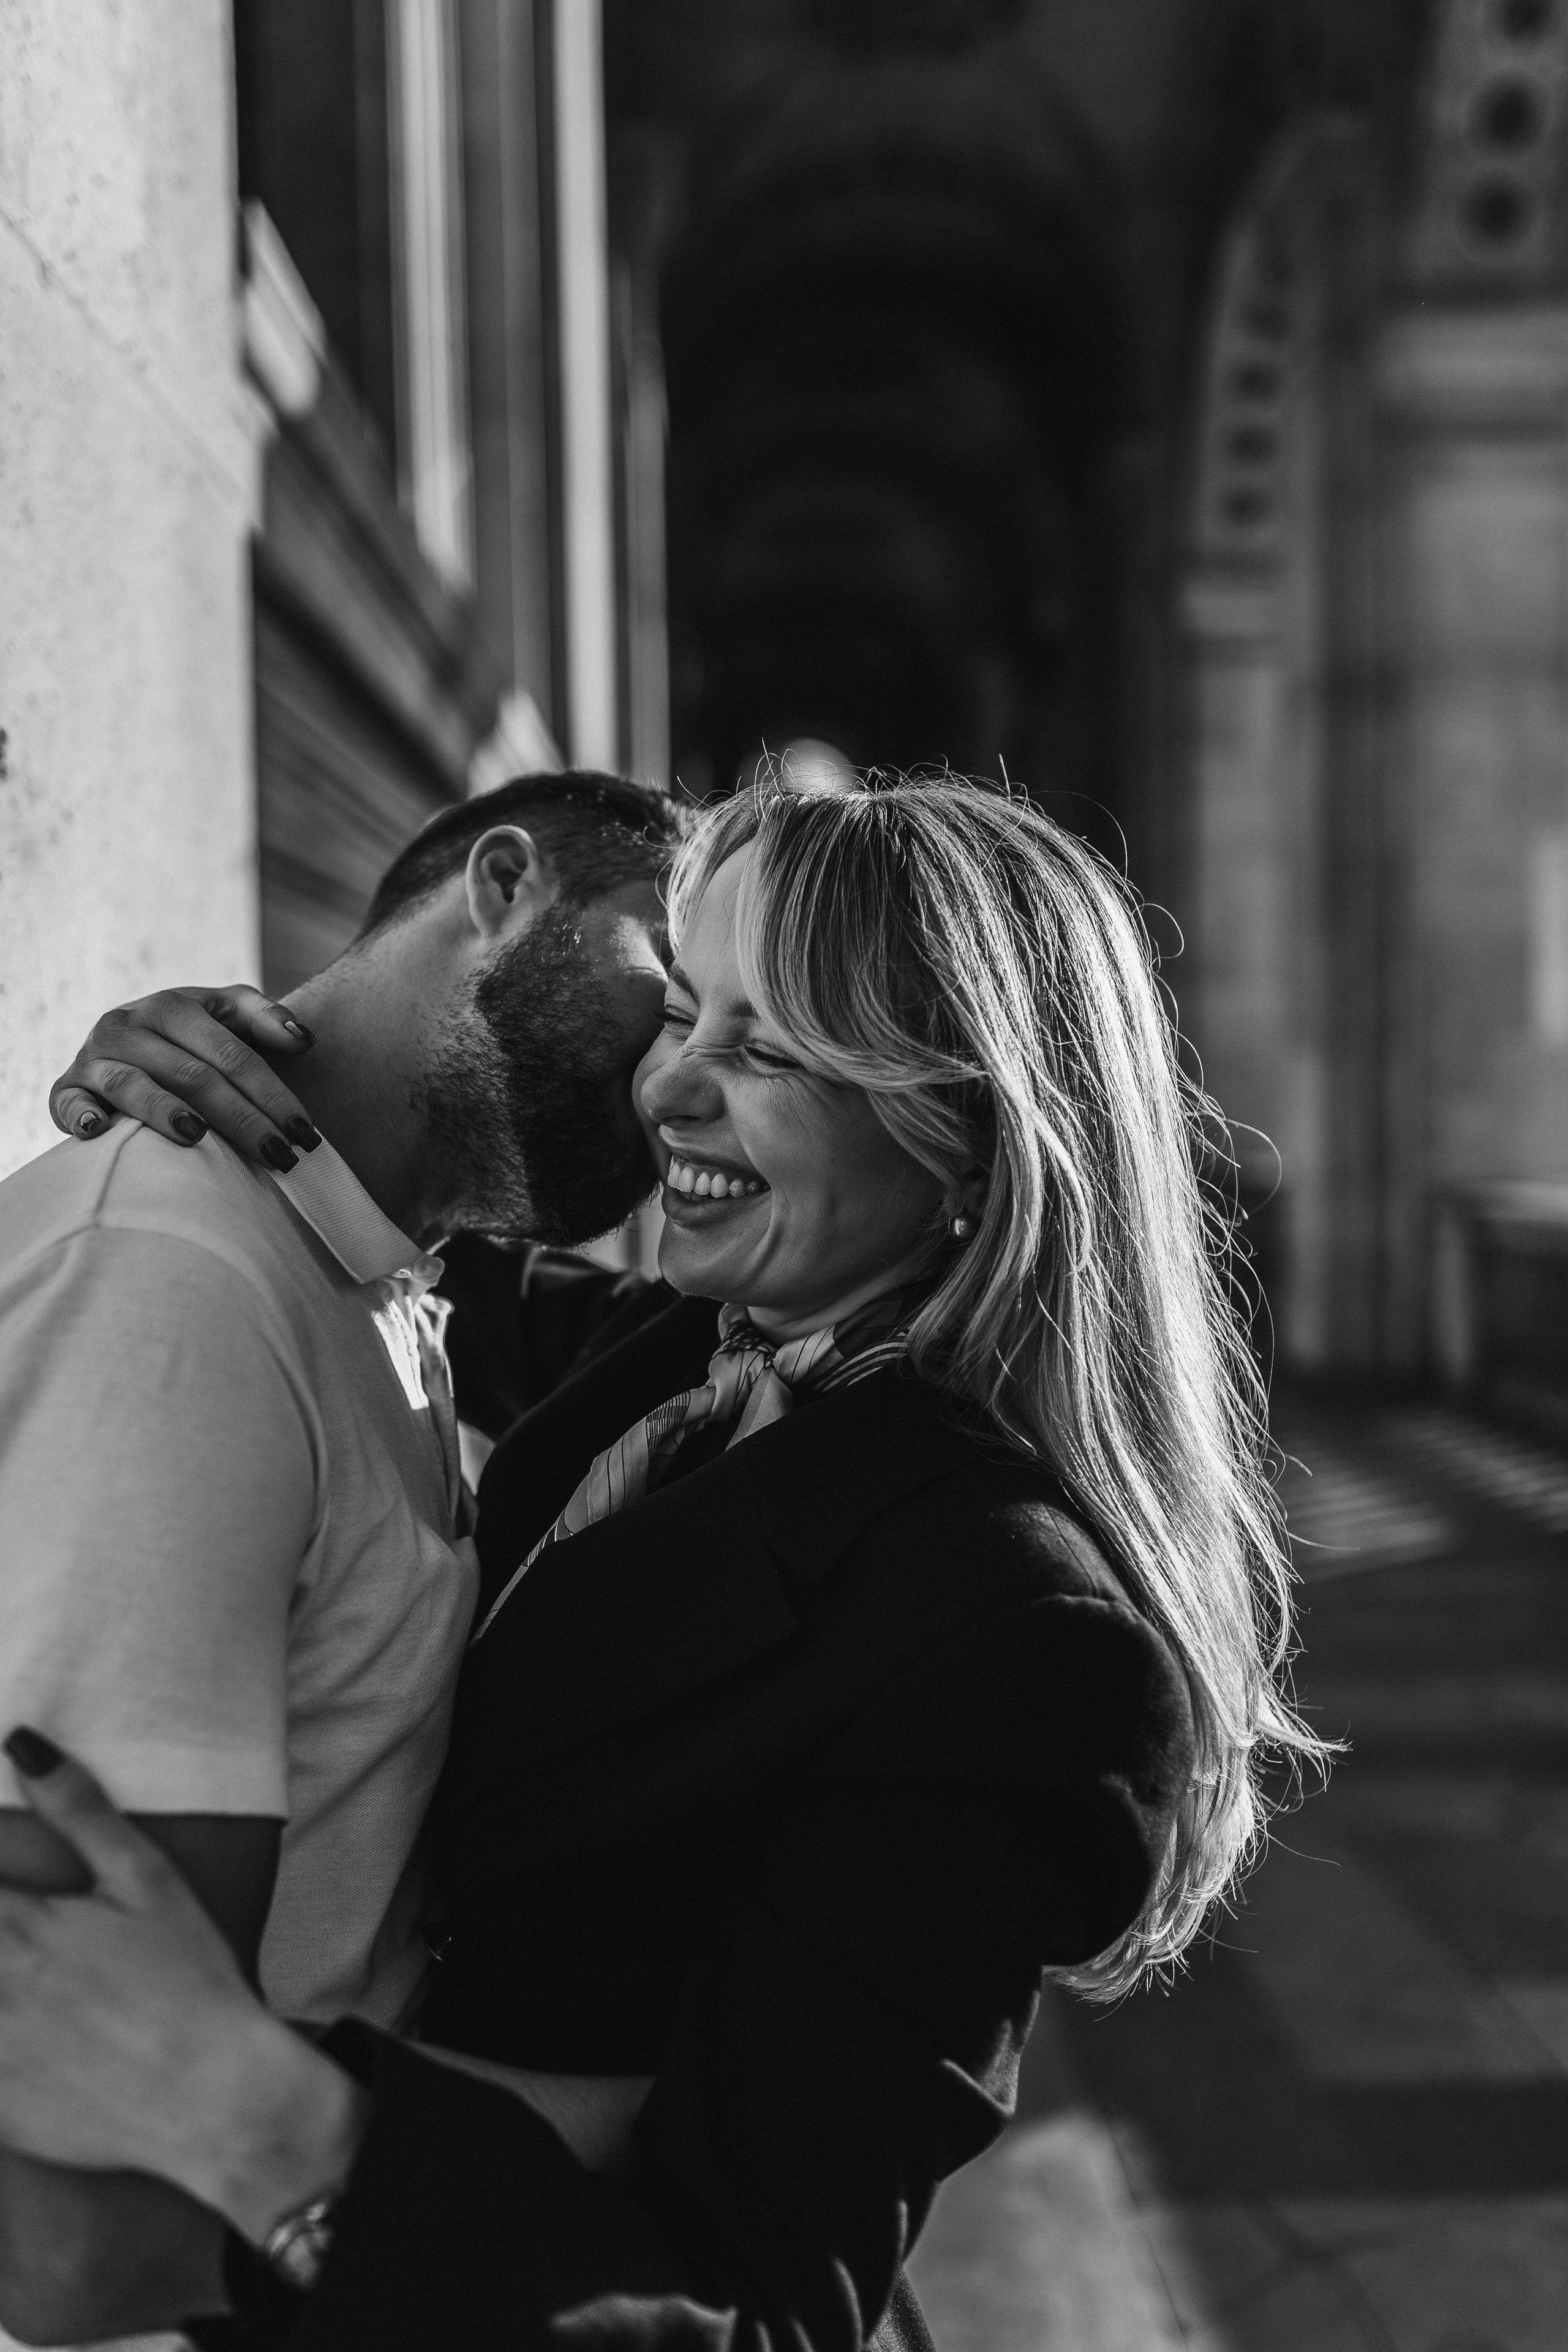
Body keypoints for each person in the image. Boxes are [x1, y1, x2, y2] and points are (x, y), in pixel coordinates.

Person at [0, 772, 1324, 2352]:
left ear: (965, 1141)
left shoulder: (1022, 1636)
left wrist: (257, 2123)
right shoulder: (692, 1345)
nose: (667, 1093)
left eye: (766, 1049)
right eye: (687, 1011)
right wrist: (209, 1055)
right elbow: (396, 1220)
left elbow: (756, 2309)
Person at [0, 771, 682, 2342]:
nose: (679, 1078)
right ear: (503, 886)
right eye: (672, 988)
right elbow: (67, 2226)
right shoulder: (175, 1292)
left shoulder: (385, 1273)